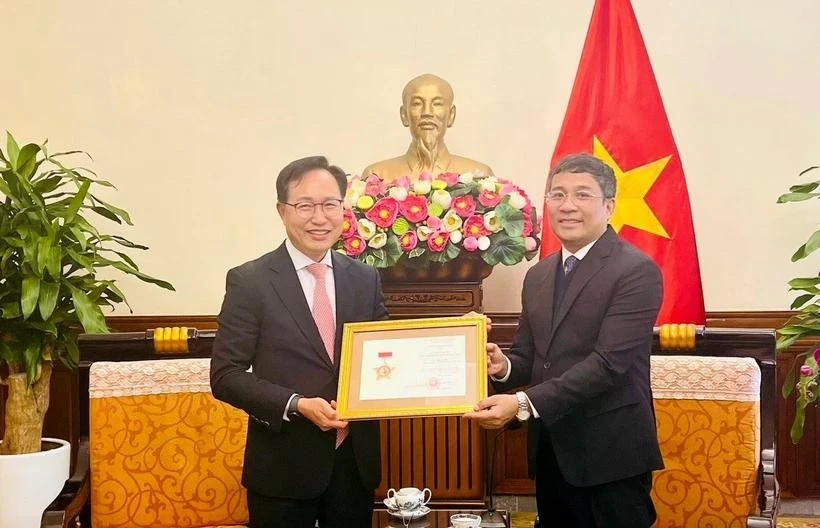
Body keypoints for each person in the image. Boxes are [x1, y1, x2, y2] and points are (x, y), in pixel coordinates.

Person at [464, 153, 664, 527]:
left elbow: (608, 365)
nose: (567, 206)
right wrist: (502, 364)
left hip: (611, 457)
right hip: (553, 449)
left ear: (609, 206)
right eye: (557, 195)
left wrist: (522, 403)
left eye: (582, 195)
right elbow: (530, 354)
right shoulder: (539, 276)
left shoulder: (636, 271)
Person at [210, 155, 387, 528]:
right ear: (282, 210)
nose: (319, 217)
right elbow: (225, 375)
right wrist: (297, 404)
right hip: (283, 467)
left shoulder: (365, 278)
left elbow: (384, 353)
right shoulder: (250, 281)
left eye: (330, 204)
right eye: (305, 205)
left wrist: (454, 343)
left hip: (354, 463)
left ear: (344, 208)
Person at [361, 73, 494, 182]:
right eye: (417, 103)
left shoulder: (479, 176)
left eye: (437, 104)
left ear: (451, 115)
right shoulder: (377, 176)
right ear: (404, 115)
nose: (427, 112)